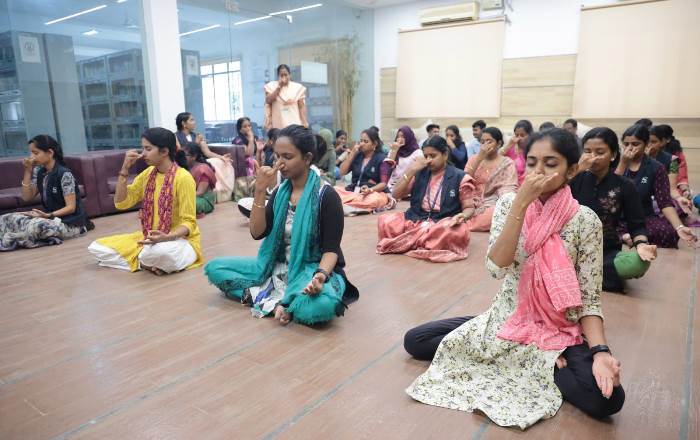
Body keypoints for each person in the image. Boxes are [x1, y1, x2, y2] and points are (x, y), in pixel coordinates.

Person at [405, 128, 625, 429]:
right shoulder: (510, 205)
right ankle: (527, 355)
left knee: (608, 400)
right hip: (511, 317)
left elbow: (588, 299)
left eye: (550, 163)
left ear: (571, 170)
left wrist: (601, 352)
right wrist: (521, 204)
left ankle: (540, 357)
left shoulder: (584, 220)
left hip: (560, 328)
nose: (538, 171)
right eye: (532, 162)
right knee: (416, 340)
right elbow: (497, 267)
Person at [204, 125, 359, 325]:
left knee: (323, 305)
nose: (279, 163)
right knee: (216, 268)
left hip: (311, 269)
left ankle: (278, 300)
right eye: (277, 156)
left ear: (307, 158)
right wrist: (260, 190)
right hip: (273, 265)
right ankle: (281, 303)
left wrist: (320, 277)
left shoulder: (326, 196)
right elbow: (257, 232)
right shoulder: (279, 193)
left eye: (287, 157)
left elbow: (331, 250)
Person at [88, 128, 203, 275]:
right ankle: (148, 263)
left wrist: (167, 237)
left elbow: (189, 223)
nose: (143, 154)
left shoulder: (183, 178)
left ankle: (144, 260)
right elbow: (122, 203)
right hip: (150, 239)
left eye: (148, 149)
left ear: (164, 151)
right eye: (143, 148)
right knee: (96, 247)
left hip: (180, 240)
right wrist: (124, 170)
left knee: (165, 253)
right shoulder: (148, 174)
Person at [571, 127, 656, 292]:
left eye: (600, 152)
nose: (593, 157)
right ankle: (588, 276)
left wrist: (641, 245)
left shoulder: (625, 185)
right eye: (587, 151)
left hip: (604, 251)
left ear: (614, 155)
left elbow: (637, 225)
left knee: (638, 263)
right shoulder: (573, 179)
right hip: (569, 248)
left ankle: (579, 276)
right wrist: (577, 171)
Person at [376, 136, 479, 262]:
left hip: (442, 222)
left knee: (454, 232)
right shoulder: (419, 172)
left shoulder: (460, 177)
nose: (429, 160)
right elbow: (396, 194)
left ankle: (413, 241)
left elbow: (469, 207)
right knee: (386, 221)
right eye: (426, 156)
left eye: (433, 156)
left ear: (445, 155)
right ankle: (425, 241)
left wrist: (462, 216)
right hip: (416, 218)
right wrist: (412, 169)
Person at [0, 135, 90, 251]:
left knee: (36, 226)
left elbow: (71, 208)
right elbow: (27, 197)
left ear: (50, 153)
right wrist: (28, 171)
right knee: (6, 218)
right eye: (31, 153)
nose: (32, 157)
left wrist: (48, 215)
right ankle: (21, 235)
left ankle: (17, 236)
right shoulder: (40, 172)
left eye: (35, 153)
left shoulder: (64, 174)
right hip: (50, 219)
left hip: (71, 224)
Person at [614, 124, 696, 248]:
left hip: (643, 217)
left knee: (668, 233)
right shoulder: (615, 162)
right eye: (626, 144)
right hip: (616, 217)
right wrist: (623, 163)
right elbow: (611, 190)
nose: (630, 148)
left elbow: (665, 202)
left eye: (635, 144)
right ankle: (627, 236)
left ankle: (629, 237)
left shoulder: (657, 167)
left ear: (646, 144)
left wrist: (679, 227)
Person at [463, 127, 518, 232]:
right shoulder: (474, 159)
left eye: (489, 141)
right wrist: (479, 158)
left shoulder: (506, 163)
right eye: (482, 142)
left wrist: (498, 203)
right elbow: (464, 181)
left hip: (493, 202)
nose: (484, 145)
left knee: (497, 212)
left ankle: (466, 225)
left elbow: (508, 188)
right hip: (470, 200)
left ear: (499, 144)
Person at [175, 112, 234, 202]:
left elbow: (207, 153)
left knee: (221, 162)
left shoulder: (197, 136)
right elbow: (180, 153)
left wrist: (221, 157)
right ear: (184, 124)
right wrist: (196, 143)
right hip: (184, 162)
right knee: (204, 167)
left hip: (199, 161)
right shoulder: (175, 136)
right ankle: (198, 194)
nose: (194, 122)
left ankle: (220, 193)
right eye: (191, 120)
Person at [335, 128, 392, 215]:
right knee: (334, 190)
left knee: (375, 200)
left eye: (366, 141)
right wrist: (352, 153)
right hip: (354, 190)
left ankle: (346, 206)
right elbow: (342, 172)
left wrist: (370, 189)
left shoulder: (382, 159)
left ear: (374, 144)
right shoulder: (357, 156)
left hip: (373, 192)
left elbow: (383, 184)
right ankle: (352, 206)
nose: (362, 144)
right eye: (361, 141)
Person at [650, 125, 693, 216]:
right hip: (641, 199)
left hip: (661, 197)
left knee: (680, 205)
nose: (649, 145)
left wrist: (679, 198)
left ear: (662, 142)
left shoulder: (672, 160)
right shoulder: (635, 159)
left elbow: (672, 189)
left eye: (653, 142)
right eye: (646, 142)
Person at [264, 64, 308, 130]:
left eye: (286, 75)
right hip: (279, 123)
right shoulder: (271, 86)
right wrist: (279, 87)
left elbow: (301, 106)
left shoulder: (297, 87)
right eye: (281, 75)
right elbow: (268, 100)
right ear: (278, 76)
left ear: (290, 75)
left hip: (294, 122)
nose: (284, 77)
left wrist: (304, 122)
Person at [381, 125, 424, 193]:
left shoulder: (417, 153)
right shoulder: (394, 149)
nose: (400, 139)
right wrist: (394, 151)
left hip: (407, 185)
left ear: (409, 137)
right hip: (390, 185)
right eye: (398, 136)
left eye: (403, 136)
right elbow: (387, 169)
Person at [183, 142, 217, 217]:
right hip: (191, 197)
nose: (183, 157)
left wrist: (183, 196)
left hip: (204, 200)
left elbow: (200, 192)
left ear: (194, 156)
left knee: (185, 204)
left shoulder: (202, 169)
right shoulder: (186, 167)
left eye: (186, 155)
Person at [501, 119, 532, 185]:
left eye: (522, 135)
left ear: (530, 135)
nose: (519, 138)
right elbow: (496, 160)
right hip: (509, 185)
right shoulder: (510, 148)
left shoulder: (533, 150)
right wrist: (508, 145)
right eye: (516, 135)